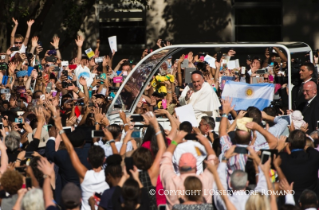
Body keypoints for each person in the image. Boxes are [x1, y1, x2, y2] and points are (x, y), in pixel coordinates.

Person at [53, 115, 109, 210]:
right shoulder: (110, 176)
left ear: (88, 160)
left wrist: (60, 128)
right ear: (104, 160)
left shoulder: (85, 175)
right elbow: (119, 155)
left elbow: (71, 150)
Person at [160, 130, 216, 210]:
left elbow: (165, 160)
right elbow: (213, 160)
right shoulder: (205, 180)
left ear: (179, 167)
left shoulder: (171, 180)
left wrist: (175, 142)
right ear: (196, 168)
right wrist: (207, 144)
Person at [279, 130, 319, 202]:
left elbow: (272, 158)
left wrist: (279, 147)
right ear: (304, 144)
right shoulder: (314, 157)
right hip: (310, 202)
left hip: (290, 202)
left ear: (290, 144)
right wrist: (304, 144)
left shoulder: (283, 159)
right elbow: (312, 150)